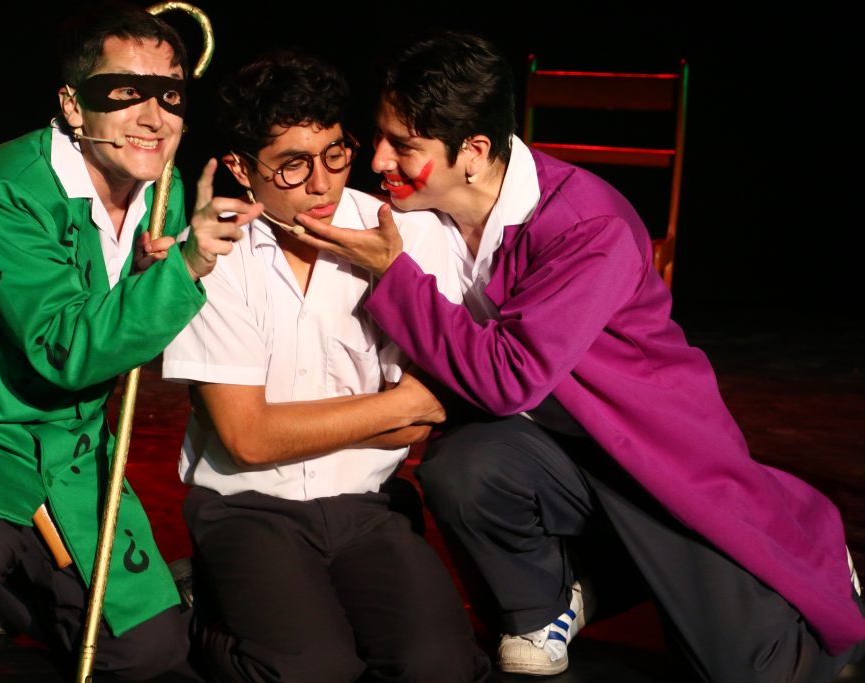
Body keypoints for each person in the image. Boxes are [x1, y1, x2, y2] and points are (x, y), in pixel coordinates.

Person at [293, 31, 865, 682]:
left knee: (753, 670)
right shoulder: (420, 214)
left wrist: (395, 277)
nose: (378, 159)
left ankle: (806, 537)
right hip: (545, 449)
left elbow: (507, 378)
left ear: (473, 152)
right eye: (379, 136)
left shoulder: (588, 225)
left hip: (646, 452)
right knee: (463, 469)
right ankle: (546, 603)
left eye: (404, 145)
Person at [0, 3, 258, 680]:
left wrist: (152, 275)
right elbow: (66, 346)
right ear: (73, 105)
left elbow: (129, 322)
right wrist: (181, 271)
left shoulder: (165, 192)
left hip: (67, 438)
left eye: (170, 95)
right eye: (123, 93)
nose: (153, 117)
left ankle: (2, 593)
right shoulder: (1, 190)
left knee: (147, 652)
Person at [161, 50, 489, 683]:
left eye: (335, 154)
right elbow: (248, 440)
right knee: (312, 671)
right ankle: (196, 611)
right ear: (241, 168)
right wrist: (397, 405)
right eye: (292, 164)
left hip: (367, 504)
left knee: (439, 667)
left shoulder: (405, 235)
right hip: (247, 508)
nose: (321, 184)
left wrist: (394, 413)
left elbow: (427, 420)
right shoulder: (212, 254)